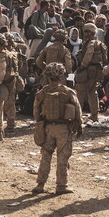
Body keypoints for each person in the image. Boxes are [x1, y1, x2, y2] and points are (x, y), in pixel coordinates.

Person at [32, 63, 82, 195]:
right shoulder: (68, 92)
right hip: (64, 129)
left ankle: (40, 184)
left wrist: (40, 125)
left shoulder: (42, 92)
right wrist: (79, 125)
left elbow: (36, 111)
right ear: (62, 75)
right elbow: (78, 110)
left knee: (46, 156)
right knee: (63, 157)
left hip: (48, 128)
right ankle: (61, 185)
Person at [75, 23, 107, 122]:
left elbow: (88, 56)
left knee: (80, 92)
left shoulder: (91, 44)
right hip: (95, 71)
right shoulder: (99, 43)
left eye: (87, 31)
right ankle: (94, 115)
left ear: (91, 32)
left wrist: (82, 67)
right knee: (92, 93)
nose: (85, 33)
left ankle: (78, 116)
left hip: (88, 70)